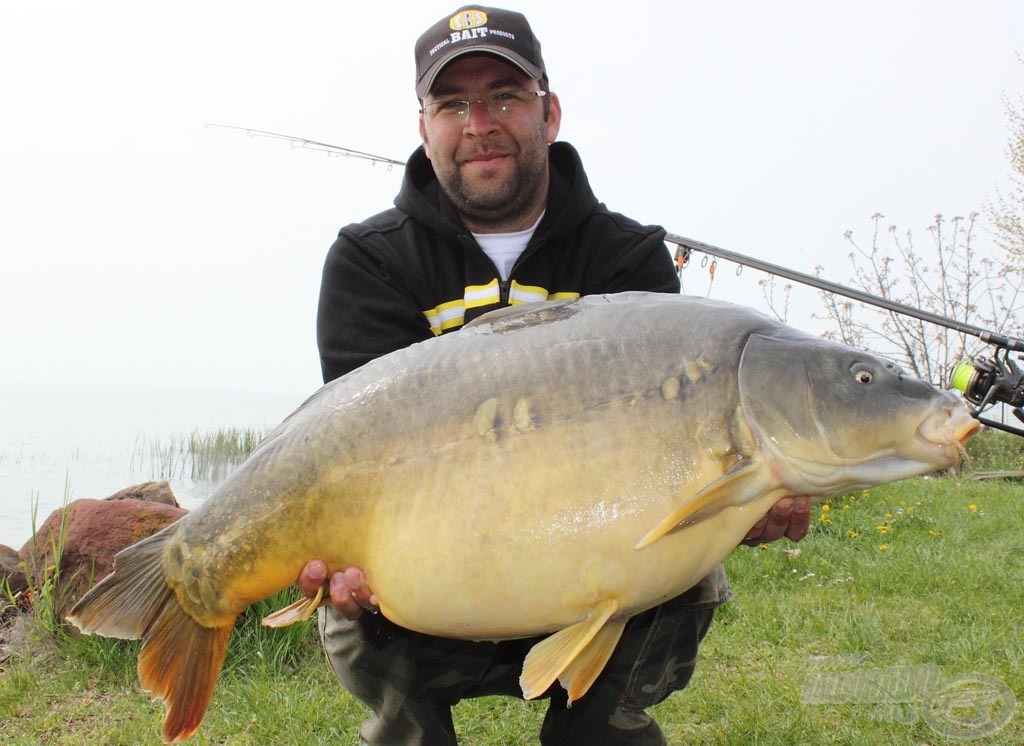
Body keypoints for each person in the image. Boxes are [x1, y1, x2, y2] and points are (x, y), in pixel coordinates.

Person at [299, 7, 810, 745]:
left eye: (505, 95)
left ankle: (600, 729)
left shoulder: (628, 260)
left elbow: (681, 454)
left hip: (598, 569)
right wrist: (341, 561)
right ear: (424, 127)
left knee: (689, 571)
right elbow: (352, 453)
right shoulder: (369, 262)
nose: (480, 122)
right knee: (349, 609)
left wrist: (748, 496)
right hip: (436, 586)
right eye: (452, 103)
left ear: (549, 110)